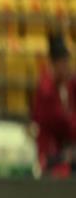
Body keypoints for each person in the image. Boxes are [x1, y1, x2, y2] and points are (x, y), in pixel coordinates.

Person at [32, 33, 76, 173]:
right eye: (64, 63)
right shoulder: (46, 89)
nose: (68, 67)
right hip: (51, 153)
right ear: (54, 64)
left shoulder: (69, 84)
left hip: (66, 148)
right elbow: (60, 123)